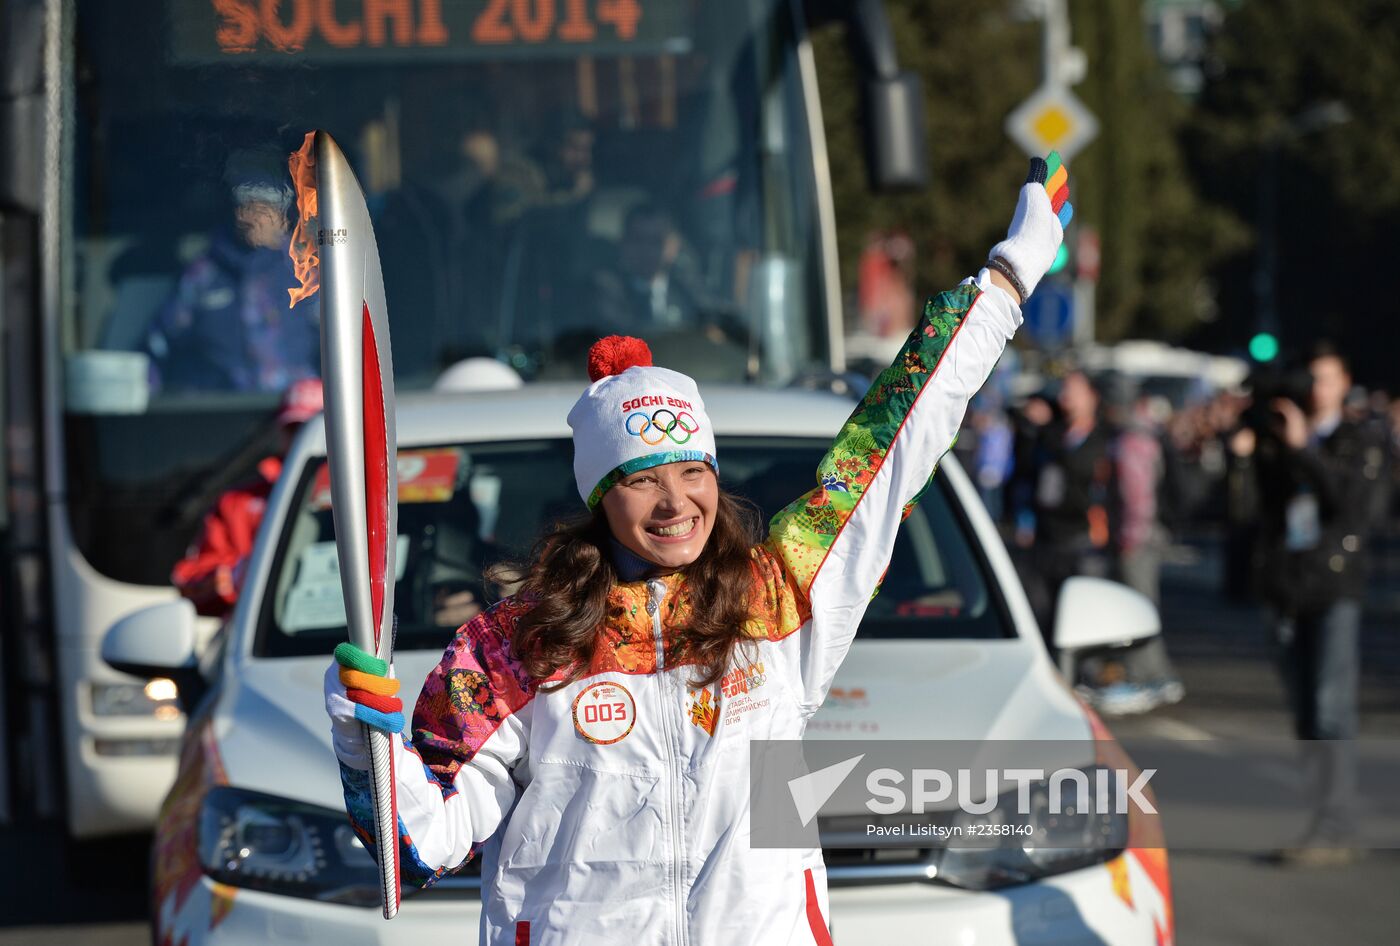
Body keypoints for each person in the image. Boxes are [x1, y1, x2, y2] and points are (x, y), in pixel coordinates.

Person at [321, 154, 1073, 941]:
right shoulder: (517, 644)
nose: (677, 503)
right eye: (642, 481)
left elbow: (898, 436)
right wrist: (364, 743)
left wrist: (1007, 283)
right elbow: (419, 848)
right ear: (599, 495)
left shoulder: (778, 599)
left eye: (692, 472)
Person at [1252, 342, 1387, 866]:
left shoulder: (1359, 437)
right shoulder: (1282, 435)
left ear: (1344, 383)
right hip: (1289, 586)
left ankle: (1336, 825)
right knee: (1306, 713)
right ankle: (1320, 819)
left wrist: (1303, 447)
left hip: (1335, 589)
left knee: (1331, 710)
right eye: (1309, 379)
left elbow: (1351, 509)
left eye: (1326, 379)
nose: (1315, 390)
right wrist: (1260, 447)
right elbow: (1261, 508)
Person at [143, 147, 320, 392]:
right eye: (248, 206)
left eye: (267, 208)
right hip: (220, 414)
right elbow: (158, 344)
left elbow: (341, 343)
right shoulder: (203, 275)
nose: (255, 217)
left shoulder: (304, 271)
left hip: (296, 413)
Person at [172, 379, 323, 618]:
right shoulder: (238, 503)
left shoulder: (372, 494)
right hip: (262, 639)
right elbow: (188, 580)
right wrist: (241, 572)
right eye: (293, 429)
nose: (301, 439)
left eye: (310, 428)